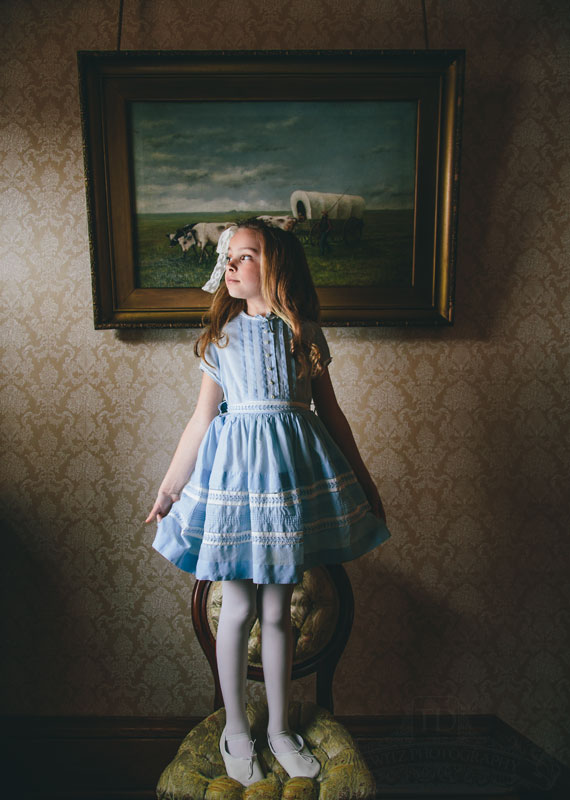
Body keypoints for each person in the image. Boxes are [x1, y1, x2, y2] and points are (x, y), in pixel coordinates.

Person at [146, 218, 391, 787]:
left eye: (244, 255)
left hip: (286, 489)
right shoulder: (221, 339)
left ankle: (280, 728)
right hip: (234, 488)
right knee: (236, 609)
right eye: (227, 256)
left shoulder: (304, 332)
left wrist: (364, 480)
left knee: (278, 611)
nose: (229, 265)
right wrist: (170, 485)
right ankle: (237, 728)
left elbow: (331, 414)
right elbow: (200, 420)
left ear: (275, 265)